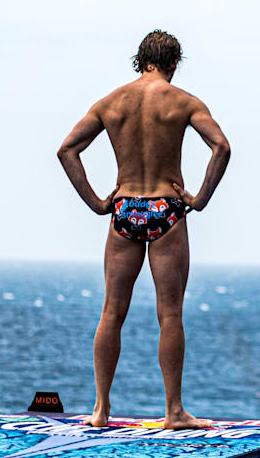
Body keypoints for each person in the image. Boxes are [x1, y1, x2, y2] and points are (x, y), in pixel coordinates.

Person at [56, 30, 231, 429]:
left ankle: (100, 410)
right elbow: (221, 146)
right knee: (169, 313)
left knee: (112, 311)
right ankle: (173, 411)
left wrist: (98, 203)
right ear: (173, 63)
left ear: (140, 59)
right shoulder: (184, 102)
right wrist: (200, 197)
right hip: (166, 207)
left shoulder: (111, 102)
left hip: (125, 208)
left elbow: (67, 149)